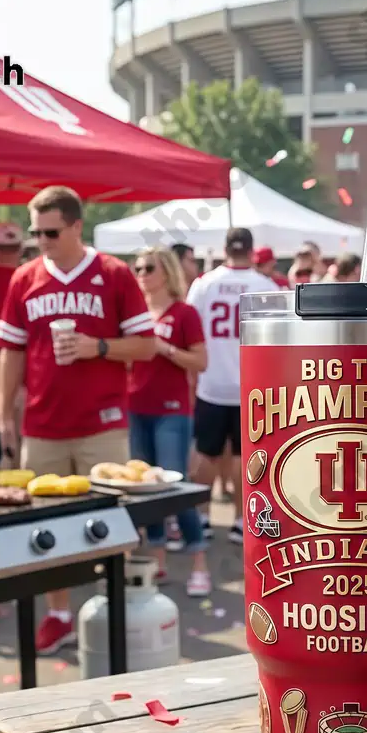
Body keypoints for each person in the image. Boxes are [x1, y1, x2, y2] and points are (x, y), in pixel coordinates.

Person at [0, 185, 157, 654]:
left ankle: (119, 606)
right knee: (43, 529)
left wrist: (97, 346)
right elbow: (11, 350)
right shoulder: (24, 277)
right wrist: (3, 411)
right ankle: (59, 613)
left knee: (113, 520)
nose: (41, 240)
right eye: (35, 232)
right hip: (42, 424)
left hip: (102, 421)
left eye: (50, 232)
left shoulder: (114, 273)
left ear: (75, 226)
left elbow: (146, 346)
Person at [127, 248, 211, 595]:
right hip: (134, 406)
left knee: (176, 485)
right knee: (145, 486)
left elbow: (201, 361)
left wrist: (165, 349)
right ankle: (159, 561)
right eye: (138, 268)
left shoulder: (184, 312)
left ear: (167, 273)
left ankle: (199, 564)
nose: (142, 274)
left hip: (171, 408)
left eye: (149, 268)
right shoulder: (133, 314)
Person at [185, 228, 277, 544]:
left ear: (224, 248)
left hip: (211, 381)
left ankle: (201, 517)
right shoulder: (265, 286)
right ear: (251, 251)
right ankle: (242, 519)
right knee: (245, 457)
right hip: (249, 384)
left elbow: (189, 328)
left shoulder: (204, 284)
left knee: (206, 454)